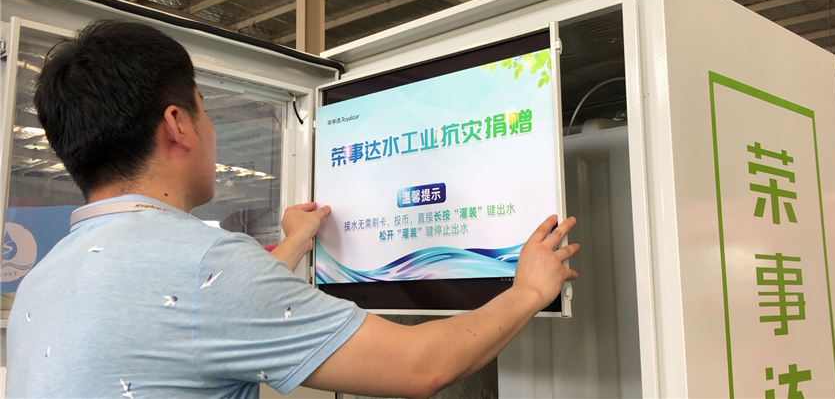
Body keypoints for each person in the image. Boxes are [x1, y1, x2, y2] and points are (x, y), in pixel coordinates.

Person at [6, 20, 579, 399]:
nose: (210, 127)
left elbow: (198, 315)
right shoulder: (207, 267)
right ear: (177, 124)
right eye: (204, 108)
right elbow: (419, 366)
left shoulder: (45, 277)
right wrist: (529, 290)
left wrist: (295, 244)